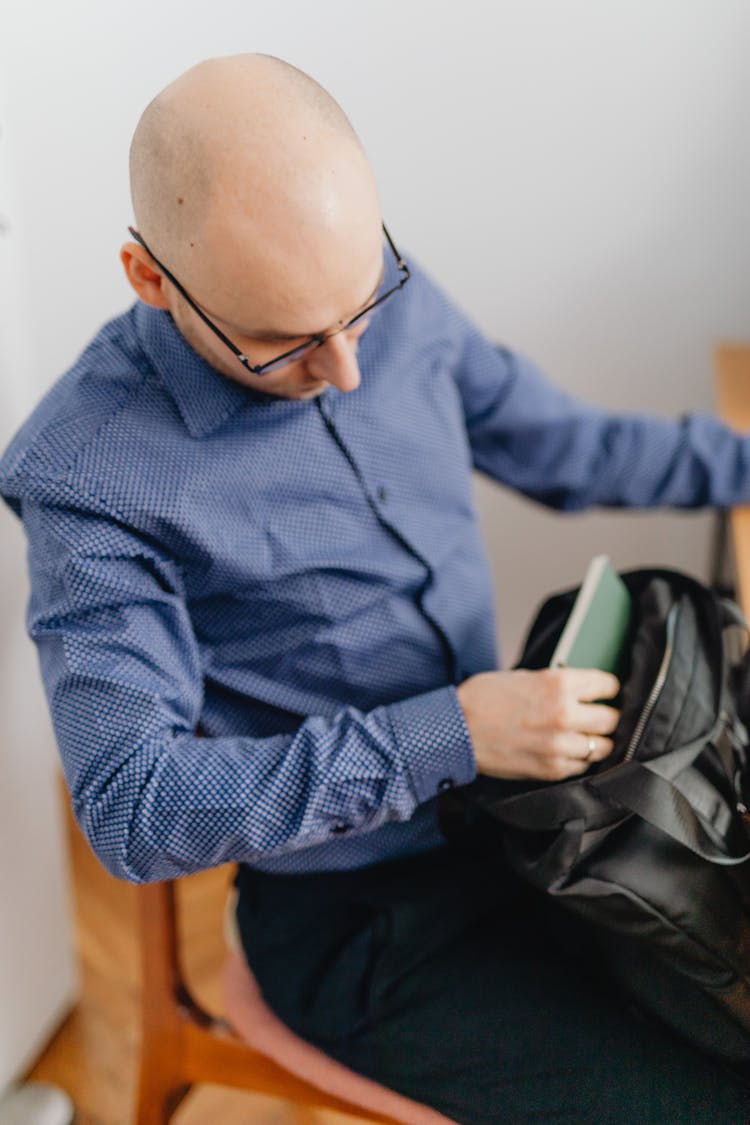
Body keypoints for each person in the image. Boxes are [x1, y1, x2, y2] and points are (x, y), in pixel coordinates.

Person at [1, 52, 749, 1124]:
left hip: (533, 820)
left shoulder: (369, 290)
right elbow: (132, 807)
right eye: (285, 345)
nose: (349, 366)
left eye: (361, 309)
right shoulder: (91, 481)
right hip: (359, 919)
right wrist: (451, 732)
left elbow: (569, 447)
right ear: (151, 278)